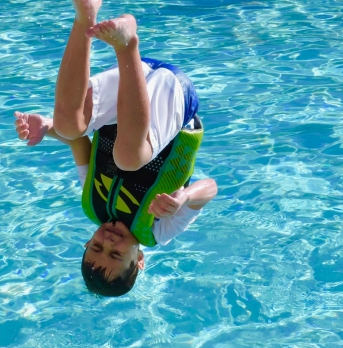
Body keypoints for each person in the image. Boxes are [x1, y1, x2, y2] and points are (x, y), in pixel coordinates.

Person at [13, 0, 217, 297]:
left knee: (69, 125)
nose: (108, 241)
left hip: (133, 79)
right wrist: (185, 196)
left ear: (86, 243)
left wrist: (46, 127)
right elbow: (211, 188)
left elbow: (77, 141)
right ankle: (127, 42)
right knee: (127, 158)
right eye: (116, 254)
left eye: (96, 246)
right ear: (140, 260)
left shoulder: (93, 204)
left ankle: (85, 16)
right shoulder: (159, 231)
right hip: (172, 95)